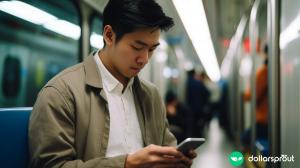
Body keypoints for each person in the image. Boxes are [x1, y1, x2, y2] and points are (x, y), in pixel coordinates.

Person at [28, 0, 196, 167]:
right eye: (137, 47)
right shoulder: (61, 94)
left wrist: (176, 161)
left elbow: (166, 147)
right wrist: (127, 163)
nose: (144, 59)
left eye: (151, 49)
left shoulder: (151, 96)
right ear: (109, 35)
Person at [242, 45, 269, 148]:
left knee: (244, 138)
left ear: (264, 54)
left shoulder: (263, 72)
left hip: (264, 120)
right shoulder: (279, 70)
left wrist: (244, 95)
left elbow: (251, 96)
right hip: (275, 119)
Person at [186, 69, 210, 137]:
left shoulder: (187, 83)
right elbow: (207, 93)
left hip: (191, 107)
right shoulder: (199, 83)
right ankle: (198, 135)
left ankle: (193, 135)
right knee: (198, 122)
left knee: (192, 123)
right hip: (199, 107)